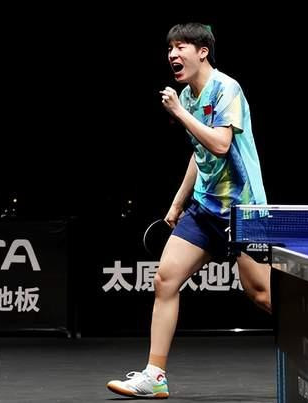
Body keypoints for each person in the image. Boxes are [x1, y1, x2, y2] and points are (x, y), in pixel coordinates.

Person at [107, 22, 271, 399]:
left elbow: (220, 144)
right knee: (165, 279)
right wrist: (178, 202)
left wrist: (180, 113)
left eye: (180, 47)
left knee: (262, 295)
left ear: (202, 51)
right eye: (170, 49)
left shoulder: (226, 89)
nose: (172, 55)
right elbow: (200, 154)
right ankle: (154, 375)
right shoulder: (188, 96)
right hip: (205, 208)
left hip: (243, 211)